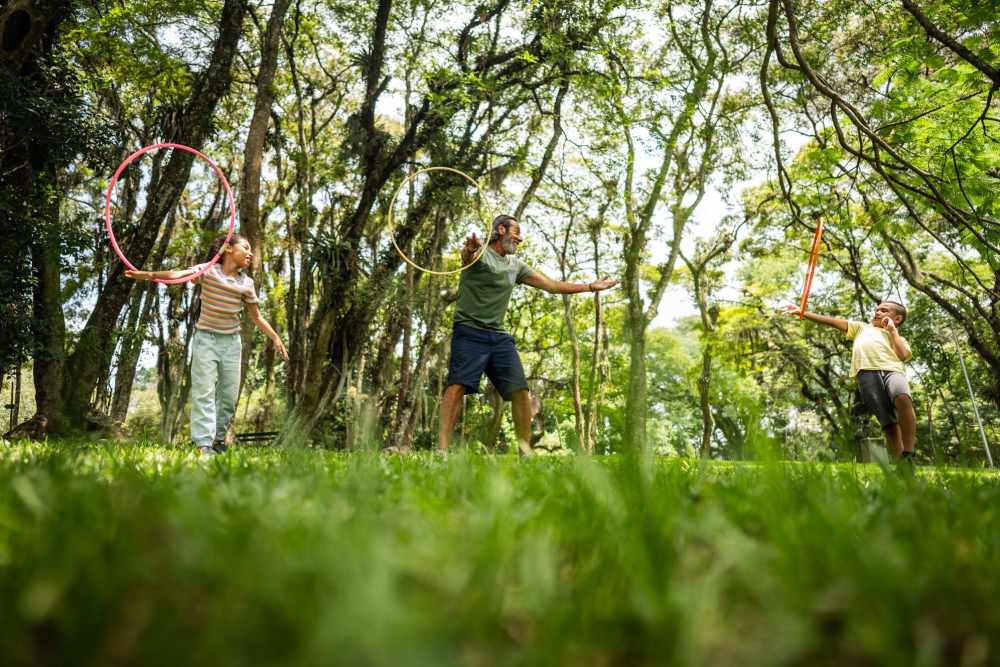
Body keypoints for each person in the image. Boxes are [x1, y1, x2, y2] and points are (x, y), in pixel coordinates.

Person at [439, 214, 618, 455]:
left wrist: (589, 287)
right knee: (457, 386)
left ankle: (525, 452)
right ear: (501, 230)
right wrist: (469, 251)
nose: (520, 238)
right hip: (469, 331)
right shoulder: (480, 254)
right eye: (516, 231)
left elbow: (552, 286)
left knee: (521, 391)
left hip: (498, 336)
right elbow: (468, 256)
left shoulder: (516, 266)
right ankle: (442, 450)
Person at [125, 234, 288, 456]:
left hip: (231, 343)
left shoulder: (247, 283)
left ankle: (219, 439)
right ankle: (204, 444)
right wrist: (149, 275)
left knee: (229, 397)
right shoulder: (208, 270)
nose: (250, 253)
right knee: (204, 391)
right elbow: (179, 275)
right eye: (246, 248)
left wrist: (275, 337)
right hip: (205, 339)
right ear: (228, 249)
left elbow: (257, 317)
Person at [780, 301, 916, 461]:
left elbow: (902, 355)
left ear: (897, 318)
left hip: (893, 371)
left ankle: (908, 452)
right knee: (889, 424)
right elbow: (830, 321)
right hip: (867, 374)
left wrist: (893, 332)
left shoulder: (900, 338)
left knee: (902, 397)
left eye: (884, 310)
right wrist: (802, 312)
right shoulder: (861, 328)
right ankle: (903, 468)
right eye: (877, 309)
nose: (877, 312)